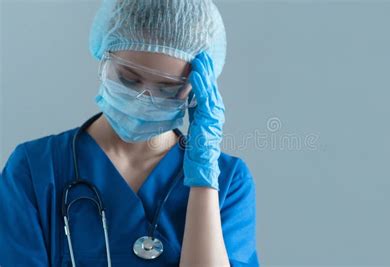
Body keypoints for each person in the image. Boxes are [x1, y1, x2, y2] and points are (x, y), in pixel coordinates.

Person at [0, 0, 259, 266]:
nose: (143, 99)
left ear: (194, 89)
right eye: (128, 79)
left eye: (167, 88)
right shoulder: (36, 169)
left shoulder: (227, 181)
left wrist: (204, 178)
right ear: (104, 55)